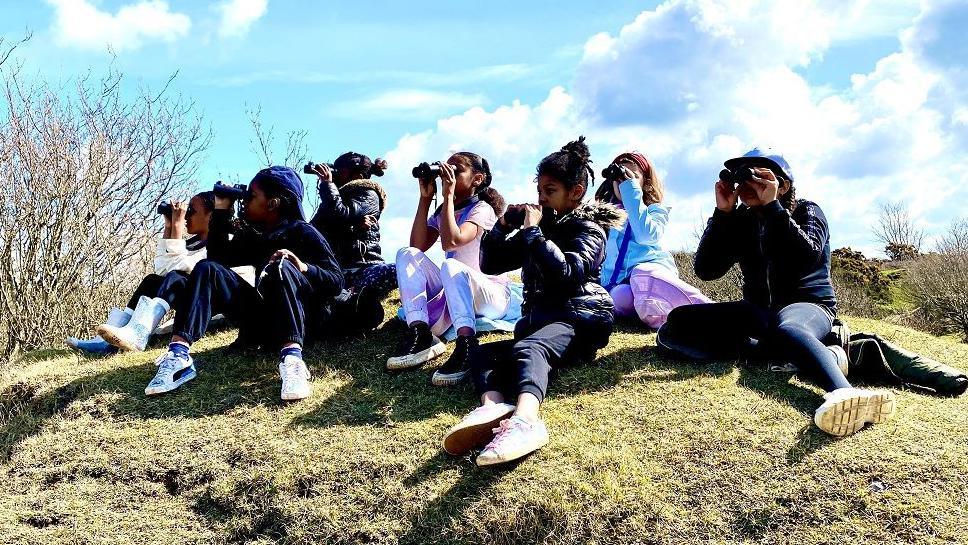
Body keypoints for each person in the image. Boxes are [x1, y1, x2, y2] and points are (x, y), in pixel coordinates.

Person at [656, 148, 896, 437]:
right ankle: (800, 354)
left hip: (808, 305)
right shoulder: (741, 220)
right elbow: (707, 270)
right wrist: (722, 214)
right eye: (742, 178)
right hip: (758, 310)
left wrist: (773, 208)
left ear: (783, 185)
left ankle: (843, 393)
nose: (749, 185)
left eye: (759, 177)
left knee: (789, 328)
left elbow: (806, 256)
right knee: (680, 320)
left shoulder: (806, 211)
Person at [441, 137, 623, 466]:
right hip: (538, 326)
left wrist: (533, 235)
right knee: (484, 353)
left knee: (529, 349)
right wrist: (502, 226)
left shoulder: (590, 229)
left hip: (578, 322)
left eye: (550, 191)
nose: (541, 199)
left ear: (576, 191)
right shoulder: (536, 230)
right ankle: (493, 406)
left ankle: (526, 420)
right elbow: (490, 263)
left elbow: (568, 272)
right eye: (539, 190)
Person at [143, 166, 344, 401]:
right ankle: (179, 355)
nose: (245, 201)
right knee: (207, 269)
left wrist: (302, 267)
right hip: (263, 324)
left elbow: (336, 280)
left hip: (303, 320)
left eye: (252, 196)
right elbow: (218, 262)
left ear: (273, 203)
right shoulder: (255, 235)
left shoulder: (304, 232)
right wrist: (221, 210)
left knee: (282, 265)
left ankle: (293, 361)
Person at [67, 192, 249, 354]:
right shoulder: (194, 244)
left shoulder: (224, 243)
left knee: (175, 277)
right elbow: (161, 268)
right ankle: (109, 340)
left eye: (191, 211)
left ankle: (139, 333)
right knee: (152, 281)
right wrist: (169, 226)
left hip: (216, 306)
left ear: (211, 215)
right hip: (197, 299)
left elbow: (181, 271)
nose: (185, 217)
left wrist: (177, 227)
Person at [389, 151, 511, 387]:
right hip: (455, 291)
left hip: (490, 294)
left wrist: (448, 194)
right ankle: (421, 332)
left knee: (451, 264)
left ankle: (467, 344)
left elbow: (452, 242)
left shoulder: (482, 209)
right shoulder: (444, 210)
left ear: (477, 179)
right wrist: (426, 199)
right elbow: (418, 246)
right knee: (406, 253)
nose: (449, 174)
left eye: (457, 170)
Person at [596, 152, 712, 328]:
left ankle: (708, 309)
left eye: (632, 176)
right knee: (619, 296)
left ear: (645, 182)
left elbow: (646, 235)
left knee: (641, 274)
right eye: (619, 177)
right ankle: (655, 316)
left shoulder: (655, 210)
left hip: (651, 274)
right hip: (622, 282)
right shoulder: (606, 216)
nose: (624, 181)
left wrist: (631, 192)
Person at [309, 152, 396, 330]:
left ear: (357, 174)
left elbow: (342, 213)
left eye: (340, 171)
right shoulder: (333, 198)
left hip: (364, 266)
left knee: (397, 269)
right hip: (340, 270)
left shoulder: (369, 193)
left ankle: (358, 299)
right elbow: (314, 231)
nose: (336, 174)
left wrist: (328, 185)